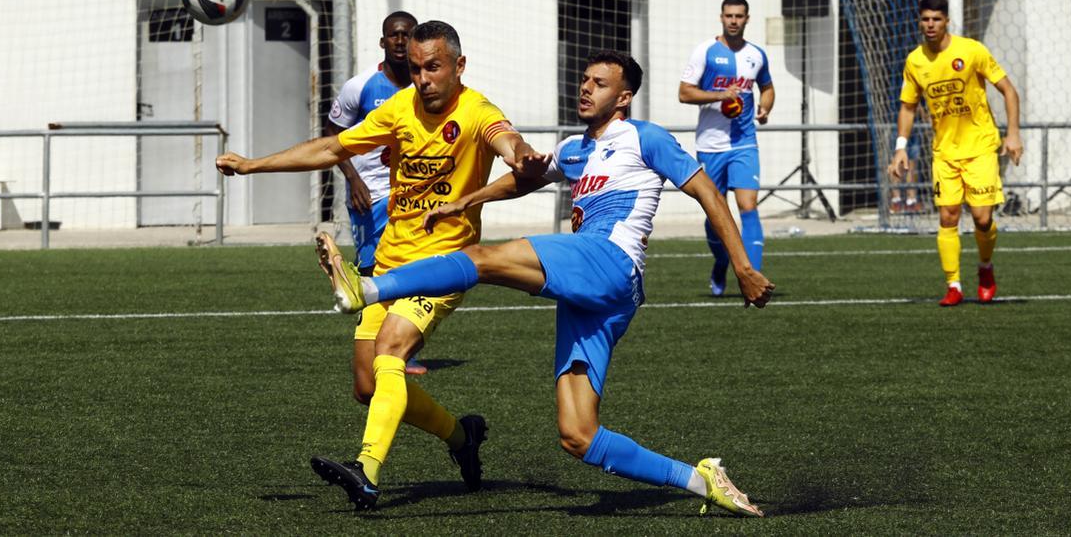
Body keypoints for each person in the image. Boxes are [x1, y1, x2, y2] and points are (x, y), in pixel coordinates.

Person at [317, 50, 775, 516]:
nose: (585, 87)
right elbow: (524, 179)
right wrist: (465, 202)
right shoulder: (576, 148)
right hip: (597, 297)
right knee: (578, 436)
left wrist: (741, 266)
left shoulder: (644, 137)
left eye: (598, 82)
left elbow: (708, 193)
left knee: (482, 258)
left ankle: (370, 289)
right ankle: (702, 480)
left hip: (610, 260)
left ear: (623, 97)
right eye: (584, 78)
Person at [216, 20, 548, 509]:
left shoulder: (477, 112)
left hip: (442, 266)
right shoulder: (399, 108)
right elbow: (333, 147)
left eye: (433, 67)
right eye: (415, 69)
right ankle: (462, 438)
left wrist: (522, 156)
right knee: (368, 384)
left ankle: (365, 471)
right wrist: (251, 165)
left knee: (392, 348)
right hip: (389, 262)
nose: (423, 79)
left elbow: (507, 139)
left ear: (459, 65)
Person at [887, 0, 1023, 306]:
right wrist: (901, 148)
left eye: (936, 19)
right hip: (944, 152)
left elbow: (1008, 91)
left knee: (982, 218)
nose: (930, 25)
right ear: (919, 21)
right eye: (925, 19)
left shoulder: (971, 50)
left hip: (980, 147)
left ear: (946, 21)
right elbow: (907, 108)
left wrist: (1012, 134)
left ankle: (985, 268)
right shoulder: (915, 61)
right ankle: (954, 285)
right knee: (948, 217)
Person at [324, 10, 426, 375]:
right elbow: (331, 135)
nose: (400, 41)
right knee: (371, 269)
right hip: (370, 196)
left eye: (407, 35)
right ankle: (373, 347)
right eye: (394, 36)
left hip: (413, 194)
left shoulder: (426, 85)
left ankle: (401, 350)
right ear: (383, 42)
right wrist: (352, 178)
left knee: (415, 269)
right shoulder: (361, 86)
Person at [678, 0, 775, 297]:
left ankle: (753, 279)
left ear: (747, 19)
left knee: (748, 206)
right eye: (729, 15)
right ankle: (721, 262)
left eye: (739, 16)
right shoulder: (705, 51)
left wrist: (764, 108)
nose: (734, 20)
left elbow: (767, 87)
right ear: (721, 18)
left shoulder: (756, 55)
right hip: (710, 146)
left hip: (745, 143)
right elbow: (684, 93)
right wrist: (719, 96)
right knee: (715, 213)